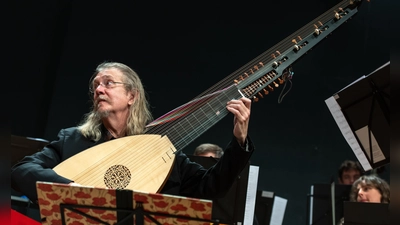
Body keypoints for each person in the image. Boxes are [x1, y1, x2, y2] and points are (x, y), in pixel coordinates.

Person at [11, 61, 255, 205]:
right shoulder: (73, 139)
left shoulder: (160, 151)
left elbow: (210, 188)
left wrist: (239, 140)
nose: (98, 89)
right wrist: (73, 188)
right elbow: (21, 171)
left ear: (132, 96)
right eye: (95, 85)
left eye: (108, 83)